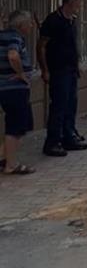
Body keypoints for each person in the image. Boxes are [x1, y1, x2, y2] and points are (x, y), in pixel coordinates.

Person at [38, 0, 87, 157]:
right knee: (58, 106)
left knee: (70, 105)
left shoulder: (71, 21)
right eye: (78, 2)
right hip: (58, 70)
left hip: (70, 69)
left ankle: (68, 137)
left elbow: (72, 45)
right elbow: (42, 46)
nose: (80, 6)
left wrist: (77, 64)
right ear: (71, 2)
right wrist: (45, 70)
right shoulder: (53, 20)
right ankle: (52, 142)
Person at [0, 11, 37, 175]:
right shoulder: (14, 37)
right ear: (21, 25)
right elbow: (13, 56)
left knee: (20, 124)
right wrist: (21, 73)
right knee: (16, 126)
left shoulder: (3, 36)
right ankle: (11, 165)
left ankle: (4, 158)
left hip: (7, 88)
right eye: (29, 23)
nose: (31, 26)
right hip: (14, 88)